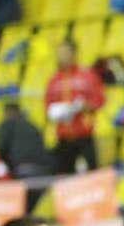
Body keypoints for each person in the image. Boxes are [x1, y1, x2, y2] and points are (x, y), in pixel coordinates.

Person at [45, 39, 106, 172]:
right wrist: (57, 112)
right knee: (64, 178)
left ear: (74, 54)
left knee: (93, 175)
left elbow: (100, 100)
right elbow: (48, 107)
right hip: (63, 137)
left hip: (85, 135)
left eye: (65, 53)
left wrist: (85, 106)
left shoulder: (88, 76)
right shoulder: (54, 80)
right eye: (59, 53)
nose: (61, 57)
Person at [0, 102, 54, 180]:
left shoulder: (6, 125)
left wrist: (9, 166)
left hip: (21, 170)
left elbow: (1, 149)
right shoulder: (32, 125)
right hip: (44, 170)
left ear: (7, 112)